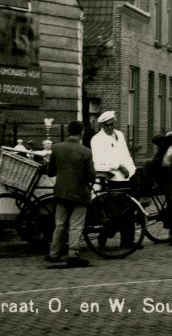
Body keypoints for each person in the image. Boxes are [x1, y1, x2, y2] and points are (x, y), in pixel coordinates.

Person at [46, 120, 95, 267]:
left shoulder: (56, 148)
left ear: (68, 131)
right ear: (81, 133)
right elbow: (91, 176)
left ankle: (53, 253)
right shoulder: (86, 151)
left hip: (61, 192)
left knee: (60, 224)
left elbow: (51, 171)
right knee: (76, 225)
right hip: (80, 193)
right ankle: (73, 254)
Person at [90, 111, 137, 247]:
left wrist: (131, 169)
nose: (110, 128)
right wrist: (118, 166)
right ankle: (104, 235)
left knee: (130, 210)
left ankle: (128, 241)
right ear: (102, 125)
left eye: (112, 124)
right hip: (113, 179)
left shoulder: (120, 135)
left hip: (127, 176)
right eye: (107, 125)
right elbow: (98, 161)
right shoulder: (97, 139)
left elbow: (126, 154)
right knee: (115, 213)